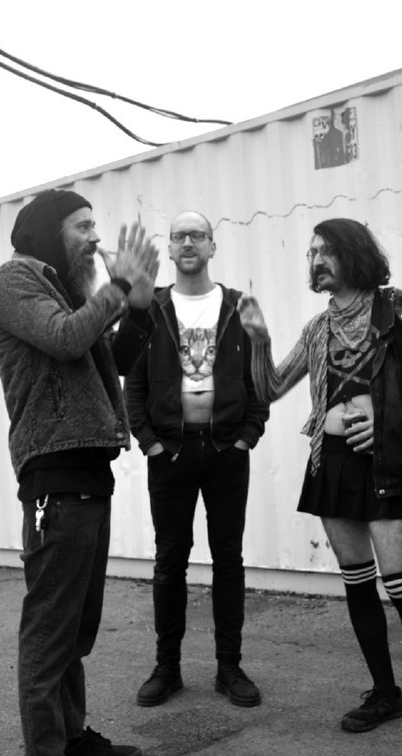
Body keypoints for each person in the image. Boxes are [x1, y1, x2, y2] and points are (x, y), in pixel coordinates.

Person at [238, 217, 402, 754]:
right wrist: (259, 342)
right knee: (358, 583)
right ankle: (386, 693)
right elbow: (269, 388)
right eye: (311, 253)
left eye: (326, 251)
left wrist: (387, 423)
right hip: (333, 463)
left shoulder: (397, 309)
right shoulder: (317, 330)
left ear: (354, 253)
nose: (316, 261)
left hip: (385, 464)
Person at [0, 188, 160, 756]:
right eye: (82, 225)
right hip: (53, 475)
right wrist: (117, 287)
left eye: (95, 225)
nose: (95, 236)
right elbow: (65, 338)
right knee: (49, 630)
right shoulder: (15, 280)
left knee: (76, 627)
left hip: (87, 471)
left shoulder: (68, 288)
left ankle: (72, 736)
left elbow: (113, 360)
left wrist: (138, 307)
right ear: (48, 229)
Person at [124, 210, 269, 709]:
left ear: (212, 246)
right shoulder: (151, 307)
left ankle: (230, 668)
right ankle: (167, 668)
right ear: (169, 248)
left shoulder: (237, 305)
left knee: (228, 560)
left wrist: (249, 435)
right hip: (170, 451)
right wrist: (148, 441)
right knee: (170, 560)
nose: (188, 243)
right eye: (179, 236)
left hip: (227, 449)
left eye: (198, 235)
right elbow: (134, 381)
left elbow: (257, 375)